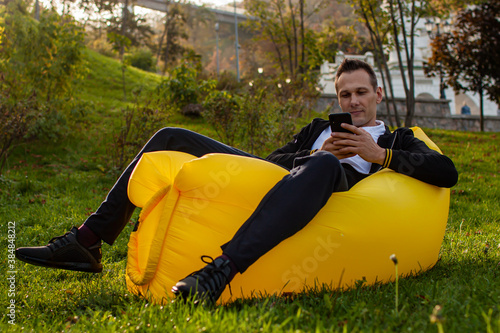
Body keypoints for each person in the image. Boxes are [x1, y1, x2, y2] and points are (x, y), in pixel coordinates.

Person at [16, 59, 458, 304]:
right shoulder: (316, 130)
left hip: (328, 185)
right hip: (282, 175)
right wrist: (314, 152)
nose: (353, 101)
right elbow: (270, 162)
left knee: (325, 169)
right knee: (169, 136)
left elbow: (447, 172)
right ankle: (89, 239)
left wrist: (378, 156)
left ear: (377, 95)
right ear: (336, 99)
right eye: (345, 94)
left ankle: (219, 272)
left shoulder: (396, 137)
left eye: (361, 92)